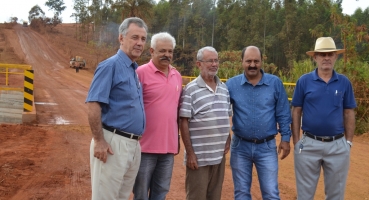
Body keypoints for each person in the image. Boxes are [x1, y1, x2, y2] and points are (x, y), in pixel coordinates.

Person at [85, 17, 148, 200]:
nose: (139, 43)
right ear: (121, 38)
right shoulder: (110, 66)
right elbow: (93, 104)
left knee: (121, 196)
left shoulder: (132, 70)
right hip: (113, 143)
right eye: (134, 37)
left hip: (133, 145)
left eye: (143, 39)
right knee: (105, 196)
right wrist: (99, 141)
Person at [291, 37, 356, 200]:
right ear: (315, 57)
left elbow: (349, 112)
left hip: (338, 145)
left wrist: (348, 143)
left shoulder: (344, 82)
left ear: (335, 56)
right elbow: (296, 110)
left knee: (336, 195)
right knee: (304, 195)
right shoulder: (304, 81)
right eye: (322, 54)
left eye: (330, 54)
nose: (326, 58)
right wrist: (297, 142)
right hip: (307, 144)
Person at [226, 46, 291, 199]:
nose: (252, 65)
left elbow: (283, 113)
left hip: (267, 147)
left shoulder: (275, 83)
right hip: (240, 147)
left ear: (262, 62)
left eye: (256, 61)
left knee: (271, 193)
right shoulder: (231, 85)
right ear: (242, 62)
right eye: (248, 61)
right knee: (241, 193)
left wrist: (286, 139)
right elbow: (220, 111)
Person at [132, 32, 182, 200]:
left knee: (161, 193)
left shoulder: (177, 76)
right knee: (140, 193)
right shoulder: (140, 73)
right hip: (144, 147)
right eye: (162, 51)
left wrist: (177, 139)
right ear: (151, 51)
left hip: (168, 148)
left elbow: (176, 111)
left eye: (170, 51)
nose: (167, 55)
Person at [179, 46, 232, 200]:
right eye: (210, 61)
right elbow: (184, 122)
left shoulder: (224, 88)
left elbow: (225, 116)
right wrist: (190, 153)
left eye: (216, 60)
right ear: (199, 64)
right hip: (199, 158)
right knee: (197, 197)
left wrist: (227, 137)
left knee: (214, 196)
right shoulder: (191, 89)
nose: (214, 64)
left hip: (218, 155)